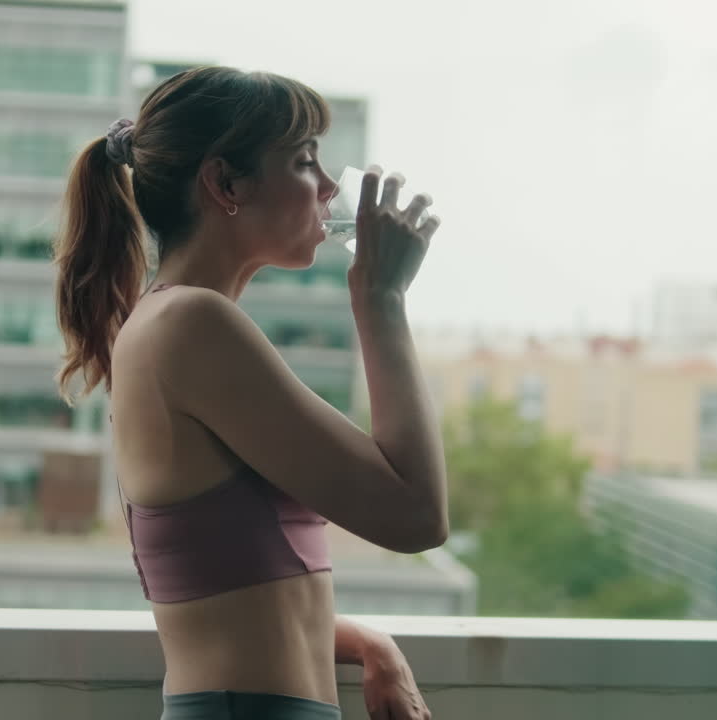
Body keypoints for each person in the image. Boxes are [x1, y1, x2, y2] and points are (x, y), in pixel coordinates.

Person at [53, 66, 447, 720]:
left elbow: (226, 586)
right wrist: (381, 298)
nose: (326, 188)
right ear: (224, 184)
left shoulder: (171, 323)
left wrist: (367, 642)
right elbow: (417, 516)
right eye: (303, 160)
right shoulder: (192, 325)